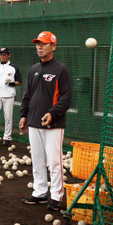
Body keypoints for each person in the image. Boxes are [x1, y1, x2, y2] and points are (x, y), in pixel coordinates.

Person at [19, 31, 73, 211]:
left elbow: (66, 98)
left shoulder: (60, 70)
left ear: (53, 46)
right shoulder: (34, 69)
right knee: (37, 159)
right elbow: (27, 95)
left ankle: (56, 196)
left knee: (55, 161)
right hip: (34, 121)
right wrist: (24, 115)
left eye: (43, 44)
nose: (39, 47)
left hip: (53, 124)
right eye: (37, 44)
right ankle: (39, 192)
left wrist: (53, 113)